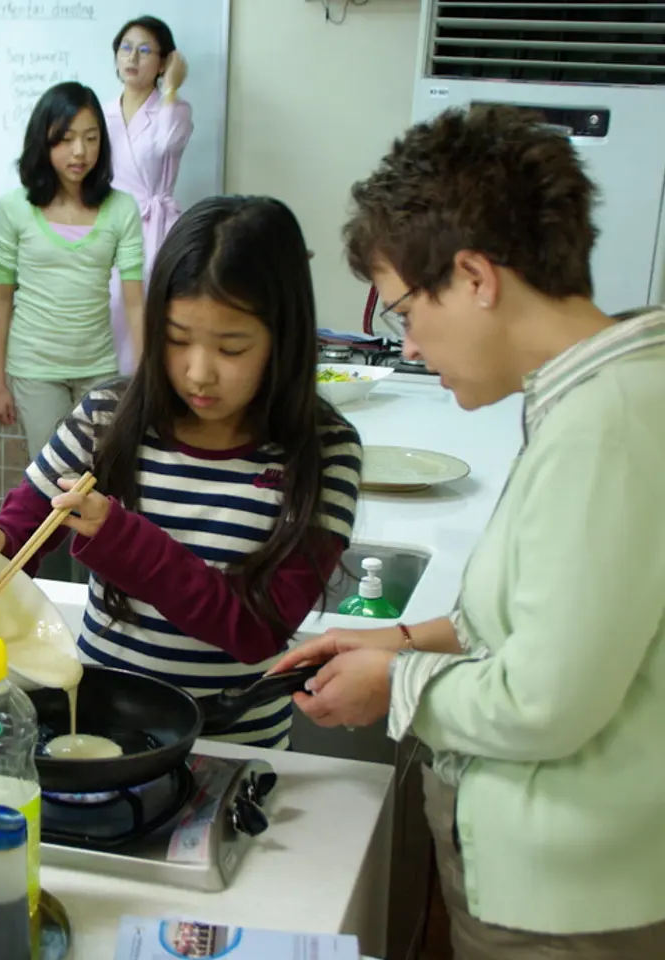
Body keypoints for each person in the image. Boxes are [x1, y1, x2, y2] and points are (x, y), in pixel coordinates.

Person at [269, 105, 665, 958]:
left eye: (407, 310)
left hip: (570, 900)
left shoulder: (611, 425)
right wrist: (399, 637)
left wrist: (394, 687)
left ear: (477, 277)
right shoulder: (591, 397)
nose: (408, 346)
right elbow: (539, 612)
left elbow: (545, 702)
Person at [0, 196, 361, 747]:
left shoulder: (324, 453)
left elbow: (257, 630)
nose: (199, 373)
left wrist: (123, 538)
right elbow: (24, 520)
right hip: (103, 729)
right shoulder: (108, 417)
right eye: (176, 341)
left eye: (231, 347)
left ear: (284, 338)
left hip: (236, 746)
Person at [0, 81, 146, 460]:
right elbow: (0, 300)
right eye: (67, 139)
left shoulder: (121, 208)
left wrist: (143, 379)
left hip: (98, 368)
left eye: (91, 138)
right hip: (35, 369)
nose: (80, 152)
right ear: (44, 141)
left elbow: (135, 303)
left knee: (99, 478)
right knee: (51, 481)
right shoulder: (15, 208)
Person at [105, 16, 193, 374]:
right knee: (110, 315)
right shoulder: (101, 112)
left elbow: (165, 144)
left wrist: (171, 88)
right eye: (126, 48)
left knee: (152, 317)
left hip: (156, 229)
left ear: (162, 62)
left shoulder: (175, 109)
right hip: (111, 227)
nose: (132, 58)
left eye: (144, 51)